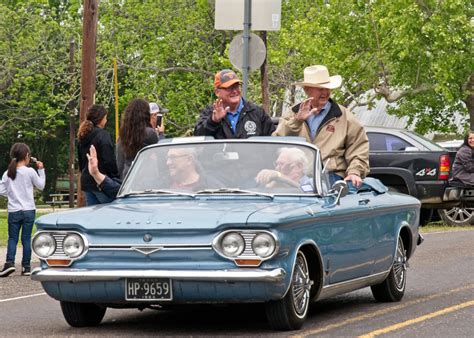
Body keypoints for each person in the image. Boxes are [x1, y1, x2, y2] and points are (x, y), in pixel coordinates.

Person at [273, 65, 369, 187]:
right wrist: (297, 122)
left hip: (331, 175)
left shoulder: (344, 116)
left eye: (327, 88)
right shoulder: (292, 114)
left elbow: (358, 147)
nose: (325, 92)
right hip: (295, 177)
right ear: (307, 90)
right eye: (320, 89)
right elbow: (277, 143)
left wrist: (355, 172)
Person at [0, 143, 45, 277]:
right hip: (29, 210)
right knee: (26, 238)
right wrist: (41, 170)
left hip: (14, 210)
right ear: (27, 156)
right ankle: (26, 267)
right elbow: (41, 186)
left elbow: (1, 190)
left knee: (12, 238)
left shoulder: (7, 173)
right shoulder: (30, 172)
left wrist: (12, 195)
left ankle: (9, 263)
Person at [194, 69, 275, 138]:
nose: (234, 91)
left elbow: (272, 142)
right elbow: (199, 138)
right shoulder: (210, 113)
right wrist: (213, 121)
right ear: (217, 92)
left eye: (236, 86)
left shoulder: (257, 113)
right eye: (229, 88)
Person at [77, 104, 119, 205]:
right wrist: (116, 177)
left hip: (87, 183)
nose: (106, 120)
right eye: (105, 118)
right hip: (102, 182)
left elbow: (81, 162)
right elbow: (109, 160)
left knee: (93, 215)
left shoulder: (82, 137)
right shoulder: (103, 136)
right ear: (101, 119)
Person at [117, 98, 159, 179]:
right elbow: (159, 158)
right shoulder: (150, 134)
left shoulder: (123, 136)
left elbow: (120, 164)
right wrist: (160, 134)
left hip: (128, 178)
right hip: (147, 178)